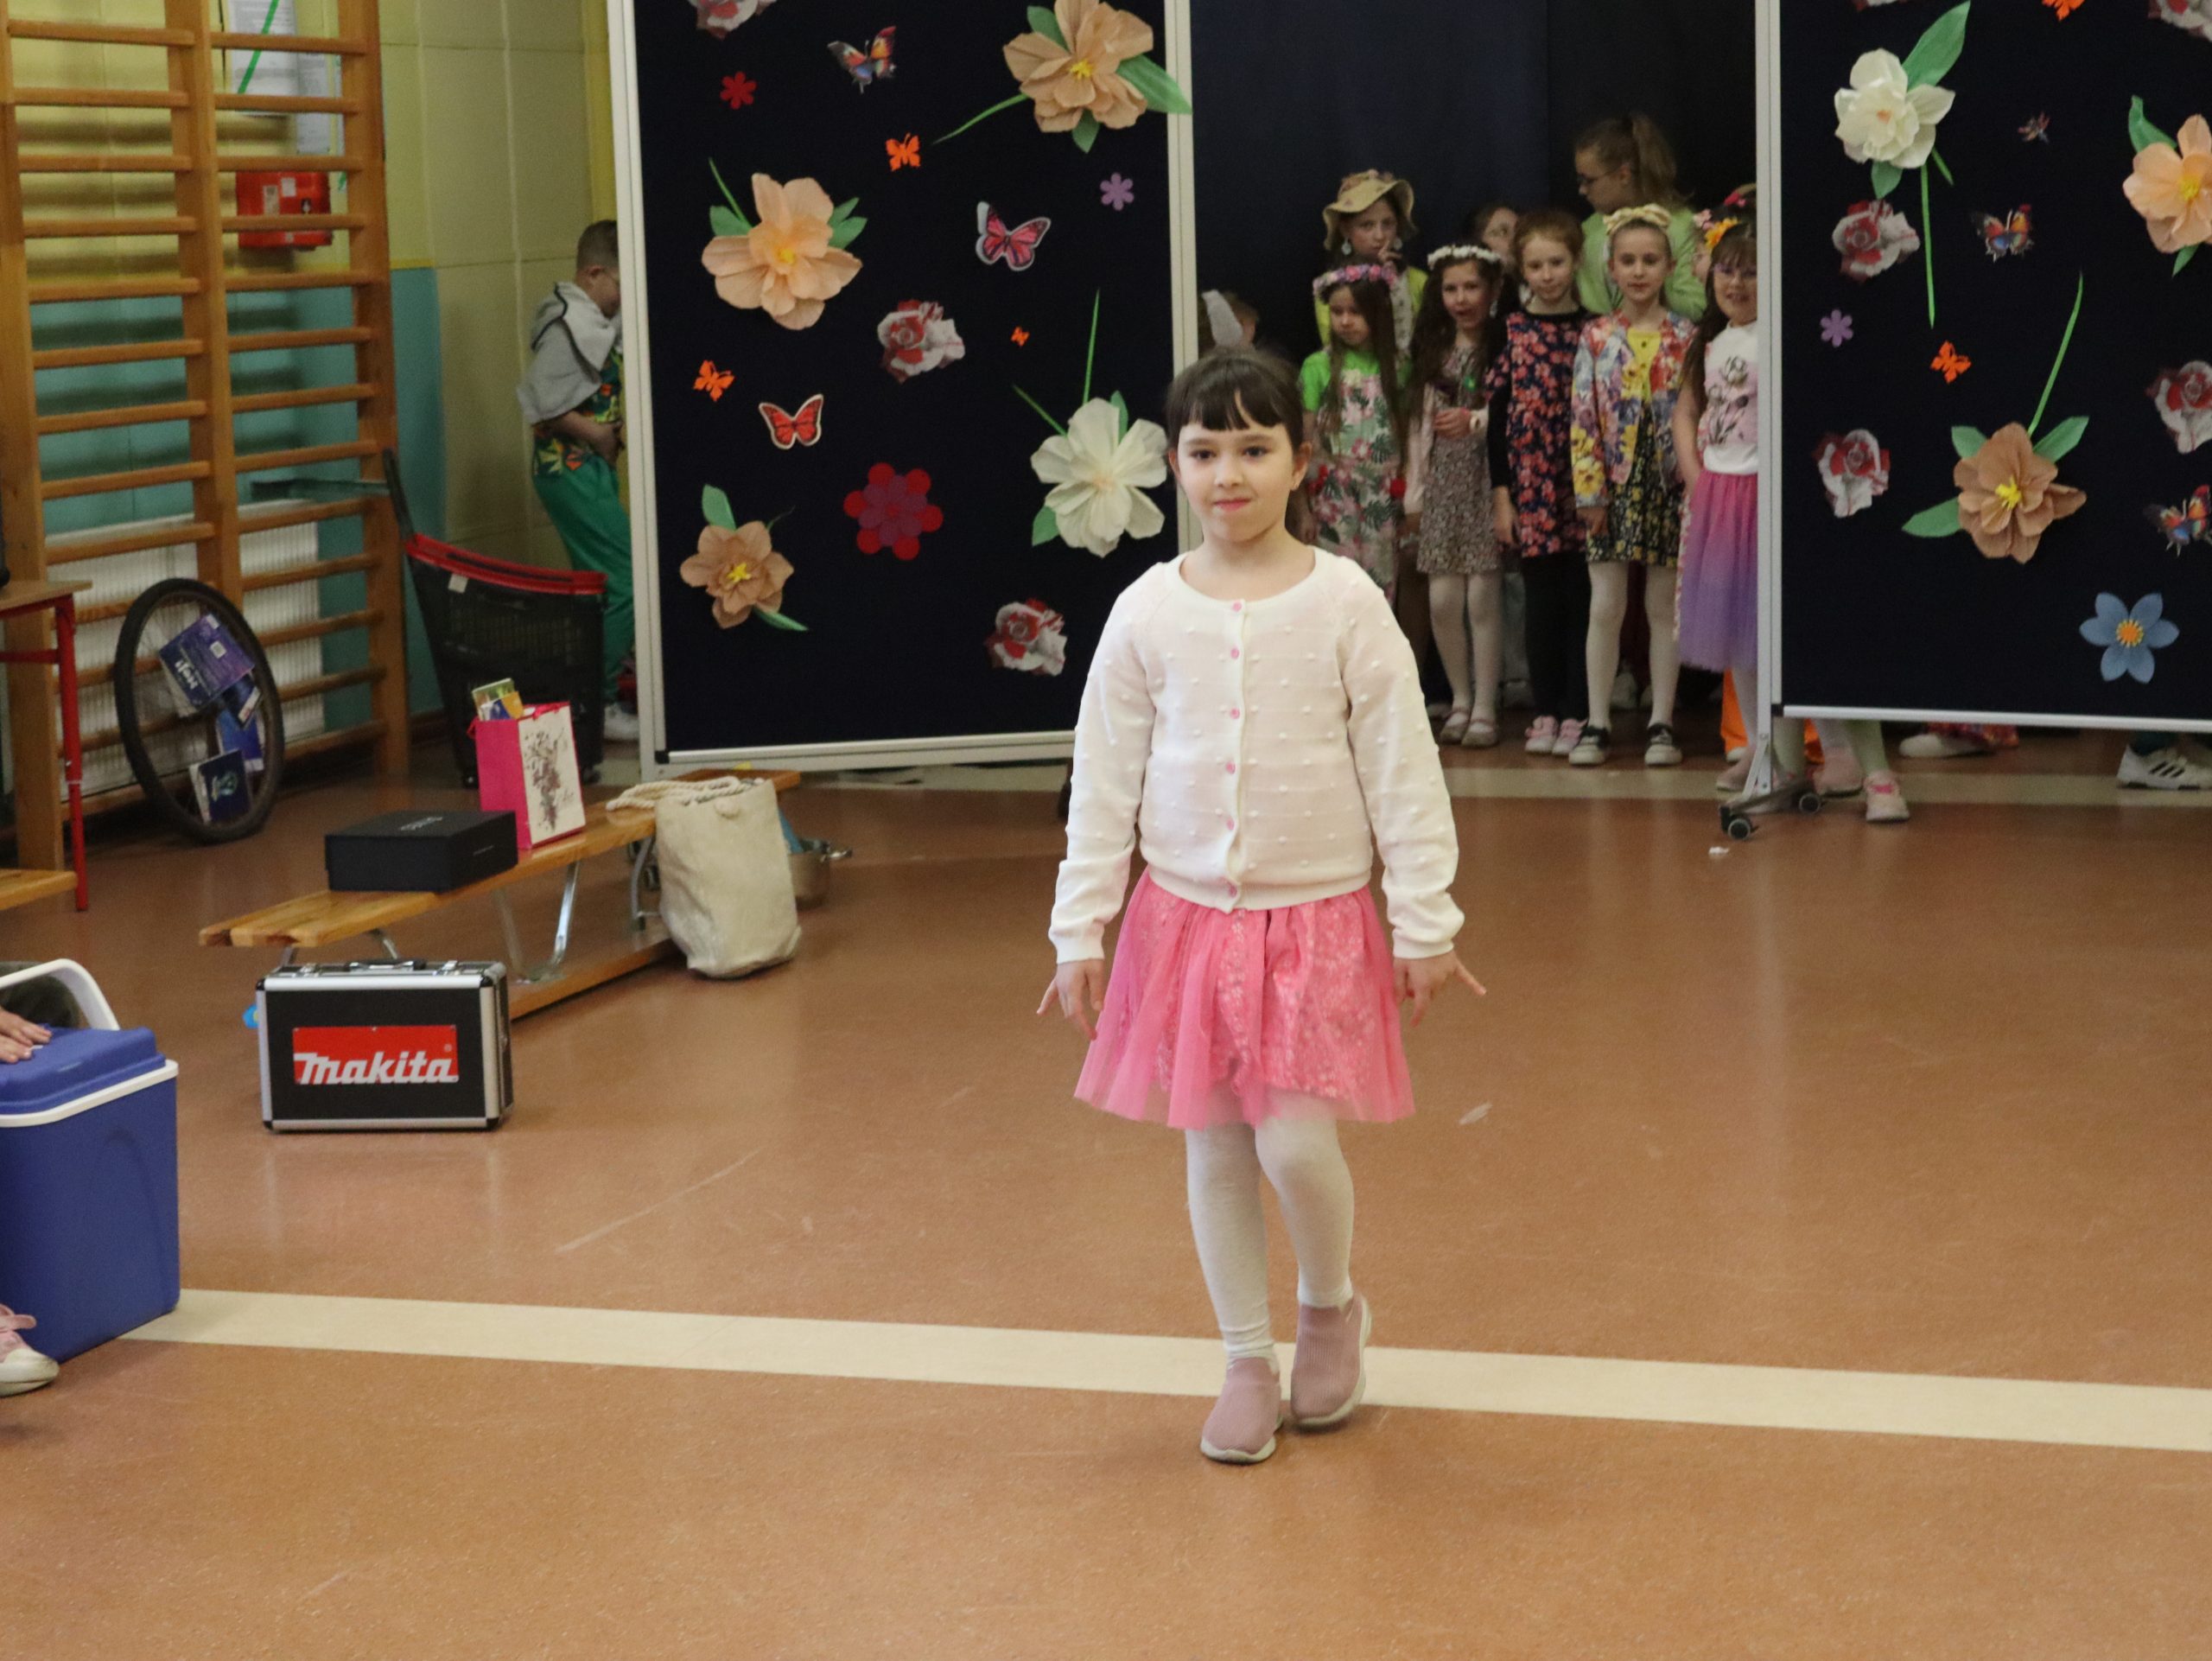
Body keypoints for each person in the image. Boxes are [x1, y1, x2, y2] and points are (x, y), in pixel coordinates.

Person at [1039, 347, 1482, 1467]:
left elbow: (1401, 764)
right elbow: (1104, 777)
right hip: (1183, 919)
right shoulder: (1147, 610)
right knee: (1215, 1143)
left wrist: (1425, 918)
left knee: (1292, 1141)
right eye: (1204, 451)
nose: (1228, 474)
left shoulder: (1345, 601)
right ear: (1175, 464)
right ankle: (1245, 1354)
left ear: (1301, 458)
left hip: (1315, 919)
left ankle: (1330, 1304)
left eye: (1253, 448)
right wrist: (1079, 927)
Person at [1569, 207, 1695, 768]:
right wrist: (1590, 491)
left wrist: (1693, 483)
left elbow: (1696, 414)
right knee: (1606, 604)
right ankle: (1597, 721)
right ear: (1611, 268)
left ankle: (1661, 721)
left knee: (1663, 605)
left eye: (1649, 260)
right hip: (1612, 484)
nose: (1639, 271)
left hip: (1668, 483)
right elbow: (1583, 416)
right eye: (1628, 260)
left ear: (1669, 266)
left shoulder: (1687, 336)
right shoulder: (1596, 336)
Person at [517, 220, 637, 743]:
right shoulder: (569, 325)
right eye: (620, 283)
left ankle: (594, 693)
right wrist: (598, 435)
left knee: (597, 587)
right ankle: (598, 702)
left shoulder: (596, 318)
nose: (623, 296)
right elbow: (541, 402)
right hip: (569, 470)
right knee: (624, 581)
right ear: (593, 274)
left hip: (585, 469)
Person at [1489, 209, 1594, 757]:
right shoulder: (1510, 329)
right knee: (1541, 600)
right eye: (1536, 266)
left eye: (1557, 262)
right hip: (1531, 483)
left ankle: (1579, 708)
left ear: (1576, 261)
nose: (1547, 275)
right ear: (1521, 269)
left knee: (1583, 596)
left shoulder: (1594, 329)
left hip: (1583, 479)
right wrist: (1502, 496)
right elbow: (1497, 419)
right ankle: (1546, 708)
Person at [1405, 245, 1507, 746]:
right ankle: (1460, 698)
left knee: (1483, 597)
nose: (1461, 298)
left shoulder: (1504, 344)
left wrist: (1476, 421)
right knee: (1443, 599)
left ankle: (1486, 704)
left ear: (1492, 290)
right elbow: (1418, 428)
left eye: (1471, 287)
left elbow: (1509, 411)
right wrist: (1415, 495)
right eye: (1451, 289)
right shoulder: (1432, 350)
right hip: (1443, 483)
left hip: (1487, 479)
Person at [1301, 265, 1412, 592]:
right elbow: (1304, 442)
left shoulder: (1399, 366)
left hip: (1384, 494)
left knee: (1381, 583)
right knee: (1334, 582)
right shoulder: (1317, 366)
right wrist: (1302, 509)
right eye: (1337, 312)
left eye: (1356, 312)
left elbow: (1408, 434)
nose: (1345, 321)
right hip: (1333, 492)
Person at [1572, 115, 1706, 319]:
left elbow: (1697, 308)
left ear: (1623, 176)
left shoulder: (1684, 226)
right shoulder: (1587, 230)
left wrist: (1646, 287)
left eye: (1588, 180)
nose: (1582, 190)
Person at [1312, 169, 1427, 342]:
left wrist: (1395, 284)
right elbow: (1335, 345)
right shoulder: (1330, 284)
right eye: (1367, 225)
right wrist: (1376, 280)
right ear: (1346, 230)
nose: (1380, 236)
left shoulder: (1419, 281)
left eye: (1387, 224)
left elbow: (1431, 341)